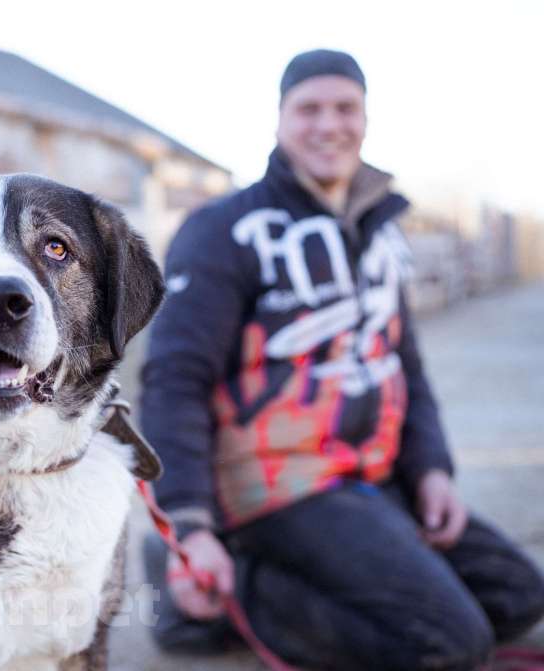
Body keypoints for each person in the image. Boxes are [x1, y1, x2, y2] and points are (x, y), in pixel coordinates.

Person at [140, 49, 544, 671]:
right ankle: (220, 586)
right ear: (279, 120)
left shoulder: (382, 228)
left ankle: (320, 583)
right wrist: (189, 525)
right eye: (309, 109)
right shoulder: (222, 229)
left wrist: (431, 468)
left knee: (519, 597)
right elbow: (174, 380)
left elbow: (402, 363)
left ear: (365, 118)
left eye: (345, 108)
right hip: (275, 486)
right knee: (452, 644)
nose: (329, 124)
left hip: (369, 476)